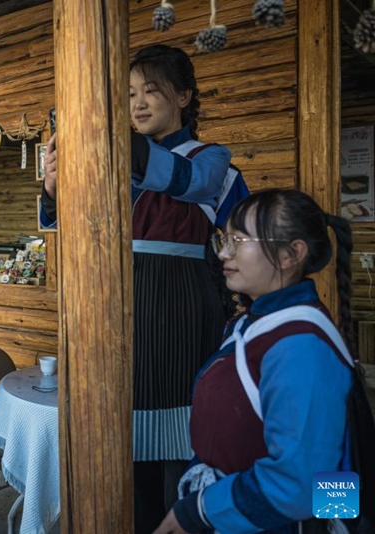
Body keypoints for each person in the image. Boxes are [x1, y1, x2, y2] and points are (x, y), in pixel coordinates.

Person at [40, 44, 237, 531]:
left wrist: (102, 130)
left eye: (151, 90)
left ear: (185, 96)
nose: (138, 103)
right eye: (128, 94)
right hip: (116, 307)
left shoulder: (213, 160)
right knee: (121, 443)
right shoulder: (117, 164)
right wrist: (54, 187)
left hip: (181, 308)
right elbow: (77, 228)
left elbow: (186, 182)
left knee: (179, 443)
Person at [154, 189, 374, 533]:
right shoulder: (252, 322)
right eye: (224, 239)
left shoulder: (302, 345)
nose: (224, 252)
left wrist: (197, 511)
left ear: (291, 254)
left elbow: (300, 485)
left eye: (239, 240)